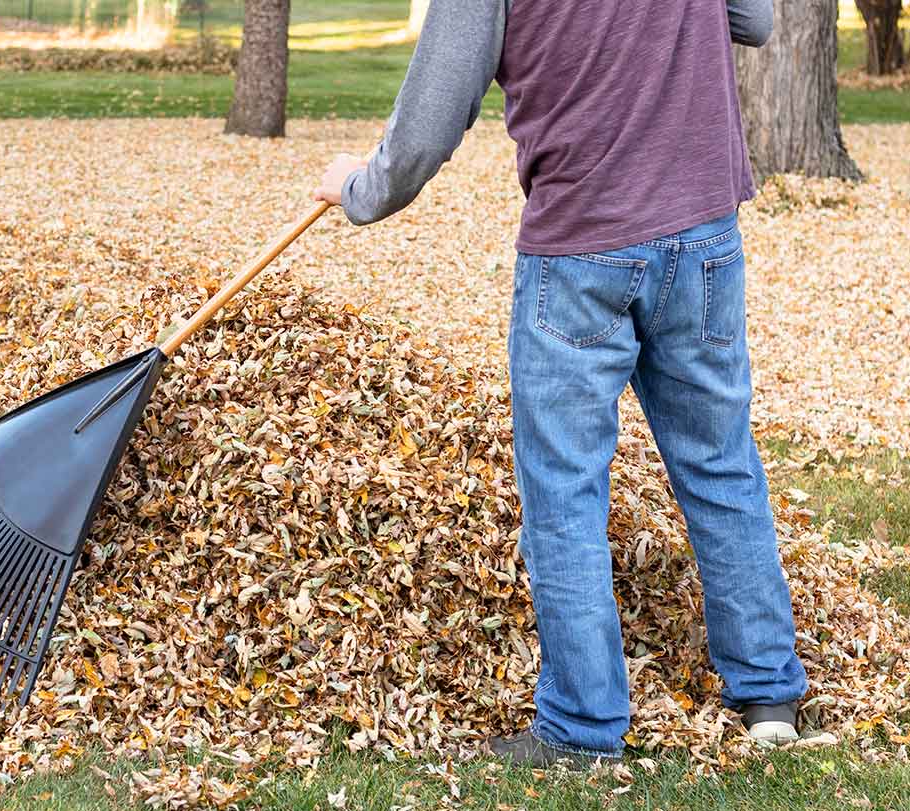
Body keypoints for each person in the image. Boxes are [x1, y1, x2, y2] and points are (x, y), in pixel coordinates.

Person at [313, 0, 808, 769]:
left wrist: (360, 188)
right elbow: (756, 18)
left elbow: (430, 121)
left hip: (583, 251)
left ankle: (583, 726)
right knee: (718, 460)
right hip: (702, 231)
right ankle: (768, 695)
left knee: (565, 489)